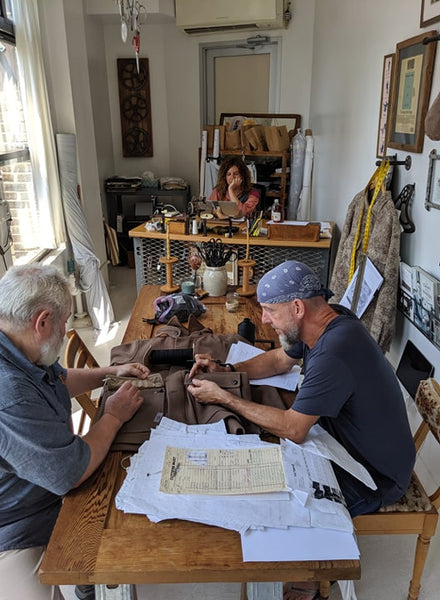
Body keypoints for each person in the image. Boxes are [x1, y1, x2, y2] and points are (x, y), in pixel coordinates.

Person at [188, 260, 415, 600]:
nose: (264, 320)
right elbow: (281, 359)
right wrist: (227, 369)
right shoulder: (329, 319)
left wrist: (224, 397)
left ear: (297, 307)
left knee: (283, 503)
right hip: (355, 441)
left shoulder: (333, 352)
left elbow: (295, 428)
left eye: (269, 311)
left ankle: (311, 579)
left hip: (377, 474)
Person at [0, 264, 151, 600]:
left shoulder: (15, 341)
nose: (66, 327)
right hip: (14, 523)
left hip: (38, 488)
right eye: (64, 320)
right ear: (42, 322)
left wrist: (110, 373)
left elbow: (59, 379)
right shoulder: (9, 393)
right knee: (108, 543)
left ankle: (91, 587)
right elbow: (71, 472)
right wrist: (112, 415)